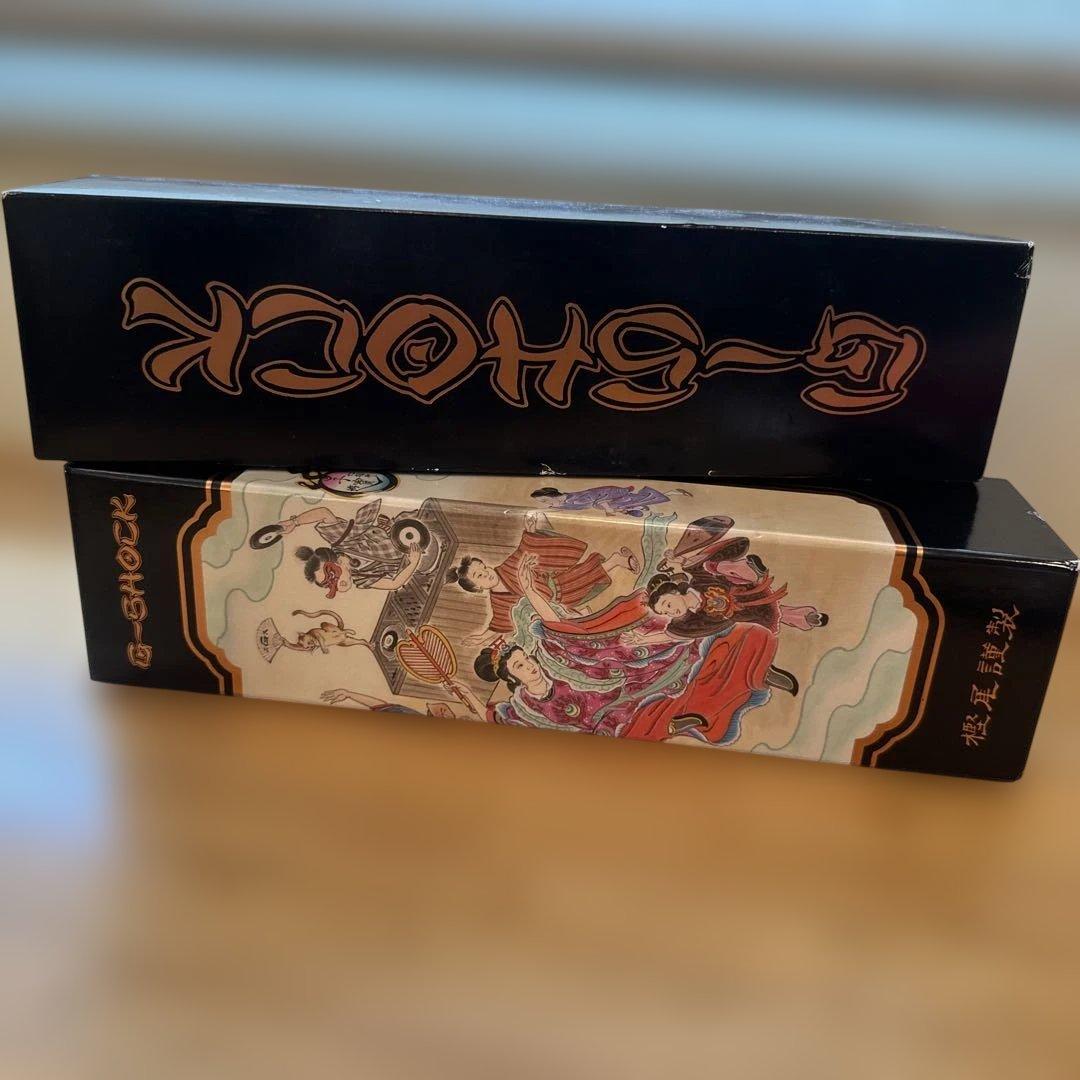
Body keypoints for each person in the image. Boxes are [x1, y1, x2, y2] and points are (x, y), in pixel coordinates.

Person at [449, 511, 638, 647]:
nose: (486, 572)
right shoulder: (498, 602)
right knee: (585, 586)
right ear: (477, 588)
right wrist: (481, 637)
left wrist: (530, 532)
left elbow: (523, 550)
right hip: (555, 604)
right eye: (479, 575)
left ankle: (617, 560)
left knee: (586, 574)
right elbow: (499, 624)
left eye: (483, 567)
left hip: (556, 583)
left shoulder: (507, 567)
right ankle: (616, 560)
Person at [275, 500, 424, 597]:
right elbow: (394, 584)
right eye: (327, 585)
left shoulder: (342, 541)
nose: (334, 584)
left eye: (331, 576)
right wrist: (414, 562)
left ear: (336, 561)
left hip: (403, 527)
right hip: (416, 556)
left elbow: (324, 514)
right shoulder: (362, 578)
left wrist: (295, 522)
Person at [530, 483, 690, 518]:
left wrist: (608, 510)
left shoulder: (575, 499)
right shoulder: (565, 502)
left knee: (641, 499)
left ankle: (673, 492)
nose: (546, 503)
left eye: (544, 500)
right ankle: (638, 509)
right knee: (638, 502)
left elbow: (598, 497)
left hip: (609, 495)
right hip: (609, 502)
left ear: (551, 495)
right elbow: (557, 508)